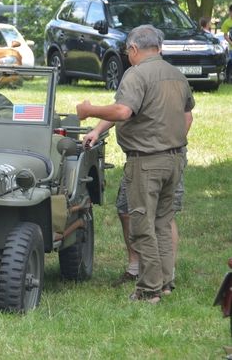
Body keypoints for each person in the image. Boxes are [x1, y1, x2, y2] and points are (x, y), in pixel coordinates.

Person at [76, 25, 195, 304]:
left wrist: (88, 111)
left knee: (142, 224)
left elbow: (123, 110)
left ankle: (149, 289)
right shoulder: (176, 74)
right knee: (163, 223)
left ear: (133, 49)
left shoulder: (136, 74)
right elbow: (187, 118)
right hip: (175, 159)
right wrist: (99, 129)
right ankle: (165, 282)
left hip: (146, 162)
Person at [113, 146, 189, 288]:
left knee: (163, 217)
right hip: (140, 156)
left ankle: (160, 280)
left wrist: (168, 145)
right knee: (126, 210)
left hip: (159, 157)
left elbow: (124, 121)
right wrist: (98, 131)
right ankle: (137, 269)